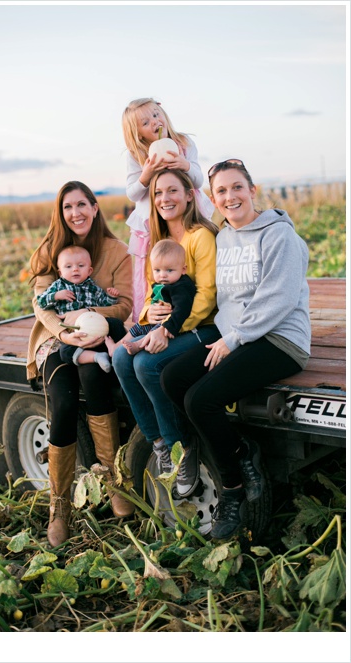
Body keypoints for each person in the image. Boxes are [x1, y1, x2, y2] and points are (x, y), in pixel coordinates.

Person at [160, 159, 310, 539]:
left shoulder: (279, 236)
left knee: (200, 400)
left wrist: (233, 339)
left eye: (237, 187)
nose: (230, 197)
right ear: (213, 198)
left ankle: (232, 489)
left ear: (252, 190)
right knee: (172, 377)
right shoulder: (225, 237)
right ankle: (240, 451)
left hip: (280, 339)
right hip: (239, 336)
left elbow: (278, 298)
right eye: (222, 191)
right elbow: (228, 301)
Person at [27, 181, 134, 547]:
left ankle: (114, 484)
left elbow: (124, 306)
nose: (76, 213)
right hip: (57, 340)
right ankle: (59, 508)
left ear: (94, 207)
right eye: (68, 207)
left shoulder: (116, 251)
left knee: (95, 378)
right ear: (61, 213)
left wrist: (87, 316)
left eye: (82, 205)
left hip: (100, 335)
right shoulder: (49, 251)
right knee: (64, 401)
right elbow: (42, 304)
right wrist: (64, 329)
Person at [112, 168, 219, 499]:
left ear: (189, 195)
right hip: (166, 324)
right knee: (119, 356)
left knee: (146, 364)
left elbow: (207, 296)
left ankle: (182, 446)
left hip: (203, 326)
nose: (165, 199)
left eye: (173, 191)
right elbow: (151, 293)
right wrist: (149, 314)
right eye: (158, 193)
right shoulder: (158, 242)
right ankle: (157, 439)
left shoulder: (200, 236)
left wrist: (168, 330)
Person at [121, 98, 214, 323]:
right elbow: (132, 193)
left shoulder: (183, 142)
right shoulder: (137, 154)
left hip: (184, 208)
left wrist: (185, 165)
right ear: (138, 134)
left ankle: (186, 310)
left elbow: (199, 179)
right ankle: (150, 314)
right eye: (145, 122)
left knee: (187, 256)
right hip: (152, 220)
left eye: (156, 114)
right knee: (154, 269)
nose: (155, 121)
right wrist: (147, 173)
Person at [36, 245, 120, 372]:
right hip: (73, 331)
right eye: (68, 267)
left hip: (93, 329)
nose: (75, 269)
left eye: (81, 266)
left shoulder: (93, 287)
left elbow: (105, 304)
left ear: (89, 270)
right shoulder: (58, 286)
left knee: (116, 326)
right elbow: (41, 302)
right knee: (65, 352)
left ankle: (117, 355)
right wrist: (56, 296)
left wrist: (111, 297)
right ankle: (97, 357)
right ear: (60, 272)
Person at [110, 239, 196, 356]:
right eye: (157, 270)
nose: (162, 275)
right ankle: (116, 346)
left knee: (155, 329)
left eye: (169, 270)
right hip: (156, 318)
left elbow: (182, 309)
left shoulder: (181, 286)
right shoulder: (161, 283)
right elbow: (152, 301)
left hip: (168, 323)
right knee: (138, 326)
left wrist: (169, 326)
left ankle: (138, 345)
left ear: (183, 269)